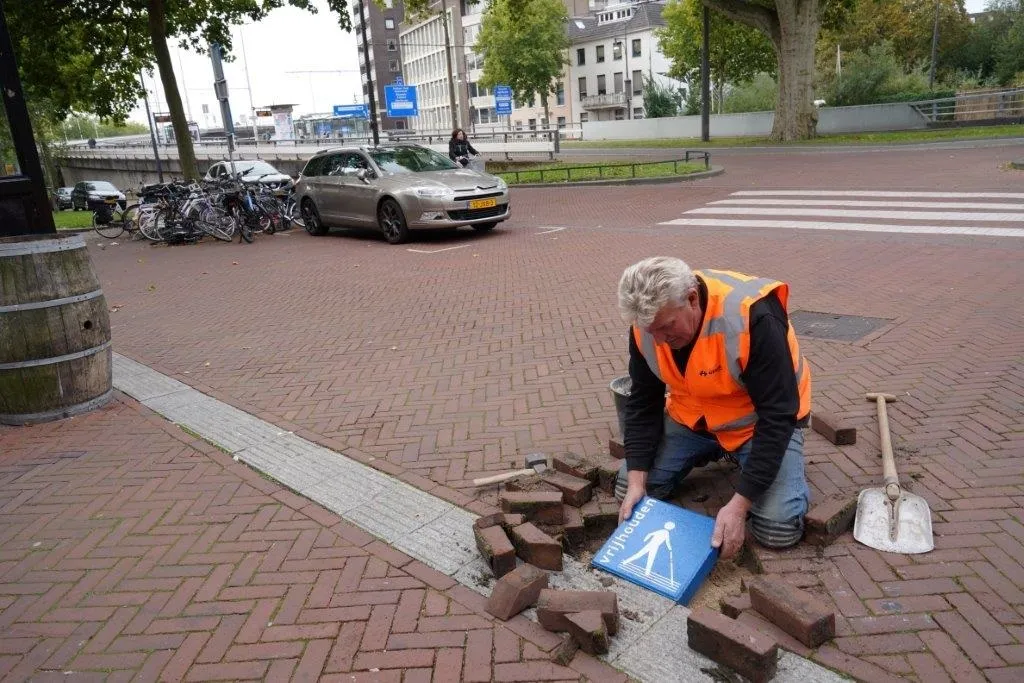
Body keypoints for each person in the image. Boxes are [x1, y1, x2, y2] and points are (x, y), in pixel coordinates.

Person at [614, 257, 812, 560]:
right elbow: (643, 404)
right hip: (694, 420)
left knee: (777, 530)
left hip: (757, 425)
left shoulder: (751, 315)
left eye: (667, 327)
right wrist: (638, 481)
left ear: (692, 299)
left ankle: (759, 461)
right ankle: (715, 449)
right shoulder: (648, 324)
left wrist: (738, 505)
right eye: (651, 331)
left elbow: (778, 415)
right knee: (629, 488)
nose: (660, 341)